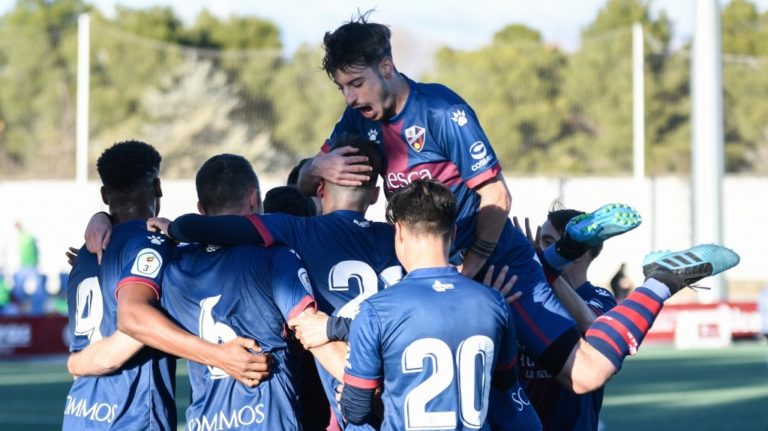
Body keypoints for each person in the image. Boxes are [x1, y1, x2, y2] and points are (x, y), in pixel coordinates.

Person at [148, 135, 403, 430]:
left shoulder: (296, 231)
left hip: (340, 394)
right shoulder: (398, 237)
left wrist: (173, 228)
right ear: (374, 195)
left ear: (320, 189)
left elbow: (198, 227)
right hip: (396, 385)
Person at [64, 141, 268, 430]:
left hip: (80, 414)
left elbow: (79, 362)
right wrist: (219, 356)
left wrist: (75, 363)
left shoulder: (86, 254)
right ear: (158, 187)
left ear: (104, 194)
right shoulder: (156, 244)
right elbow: (135, 322)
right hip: (130, 418)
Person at [339, 179, 537, 430]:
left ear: (398, 231)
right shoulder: (493, 302)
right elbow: (505, 380)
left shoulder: (376, 310)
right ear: (453, 232)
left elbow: (356, 411)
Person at [515, 207, 618, 431]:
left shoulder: (601, 298)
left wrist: (545, 268)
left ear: (577, 251)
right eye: (542, 242)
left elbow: (590, 323)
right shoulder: (524, 297)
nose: (540, 250)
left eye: (549, 242)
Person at [13, 221, 44, 314]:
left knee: (37, 288)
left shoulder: (27, 236)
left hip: (30, 264)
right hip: (25, 264)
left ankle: (37, 310)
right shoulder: (22, 236)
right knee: (18, 287)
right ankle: (20, 307)